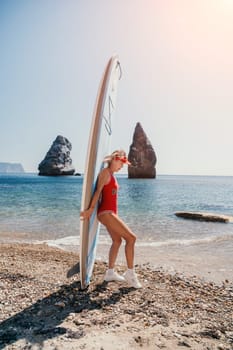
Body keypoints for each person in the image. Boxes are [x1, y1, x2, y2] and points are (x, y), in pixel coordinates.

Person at [80, 150, 142, 289]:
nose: (122, 166)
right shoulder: (105, 173)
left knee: (117, 240)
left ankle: (110, 273)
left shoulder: (112, 175)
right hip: (106, 213)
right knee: (131, 238)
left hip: (111, 213)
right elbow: (97, 191)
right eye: (121, 163)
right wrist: (90, 209)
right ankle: (130, 274)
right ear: (115, 159)